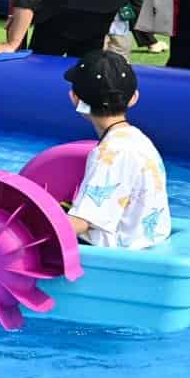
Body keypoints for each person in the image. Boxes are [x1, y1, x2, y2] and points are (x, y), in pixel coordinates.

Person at [63, 51, 171, 250]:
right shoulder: (139, 139)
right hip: (147, 240)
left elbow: (82, 222)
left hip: (119, 253)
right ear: (134, 98)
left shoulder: (109, 154)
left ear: (75, 99)